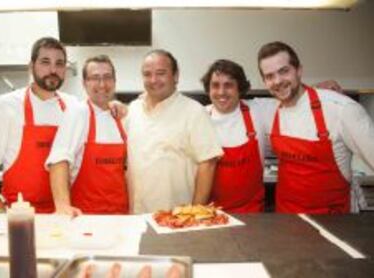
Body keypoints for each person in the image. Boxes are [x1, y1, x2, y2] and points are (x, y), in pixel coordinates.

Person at [257, 41, 374, 214]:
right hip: (286, 222)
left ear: (299, 70)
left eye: (284, 71)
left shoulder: (341, 109)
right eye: (270, 76)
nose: (278, 81)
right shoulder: (269, 110)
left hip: (334, 224)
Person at [0, 37, 79, 213]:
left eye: (59, 63)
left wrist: (115, 106)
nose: (53, 70)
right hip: (20, 215)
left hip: (65, 215)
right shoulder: (4, 107)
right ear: (31, 66)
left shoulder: (74, 107)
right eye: (45, 62)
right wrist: (3, 217)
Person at [125, 49, 223, 213]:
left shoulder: (194, 112)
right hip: (137, 216)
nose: (153, 79)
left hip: (176, 218)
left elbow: (208, 164)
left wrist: (194, 213)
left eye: (161, 73)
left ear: (176, 76)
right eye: (147, 74)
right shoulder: (133, 110)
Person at [46, 55, 128, 216]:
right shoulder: (78, 112)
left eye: (107, 77)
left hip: (120, 215)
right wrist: (62, 206)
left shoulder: (118, 116)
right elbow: (58, 160)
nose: (102, 84)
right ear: (84, 84)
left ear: (115, 81)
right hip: (88, 216)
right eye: (95, 78)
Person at [201, 60, 271, 213]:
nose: (221, 92)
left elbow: (293, 99)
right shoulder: (199, 116)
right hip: (210, 215)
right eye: (215, 85)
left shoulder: (259, 110)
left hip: (252, 214)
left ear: (240, 88)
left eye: (228, 85)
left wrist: (320, 89)